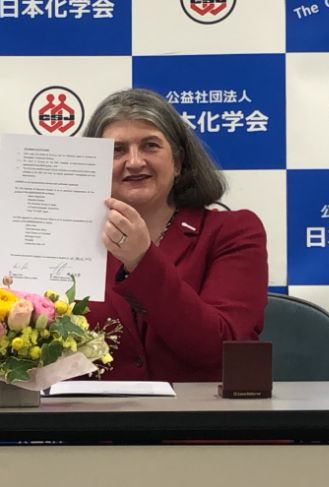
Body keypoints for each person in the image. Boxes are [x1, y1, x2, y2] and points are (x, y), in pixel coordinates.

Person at [84, 88, 268, 382]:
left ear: (179, 163)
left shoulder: (233, 232)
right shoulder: (64, 240)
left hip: (199, 422)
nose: (133, 162)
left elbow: (224, 348)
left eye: (150, 146)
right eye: (117, 150)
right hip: (87, 424)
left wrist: (142, 259)